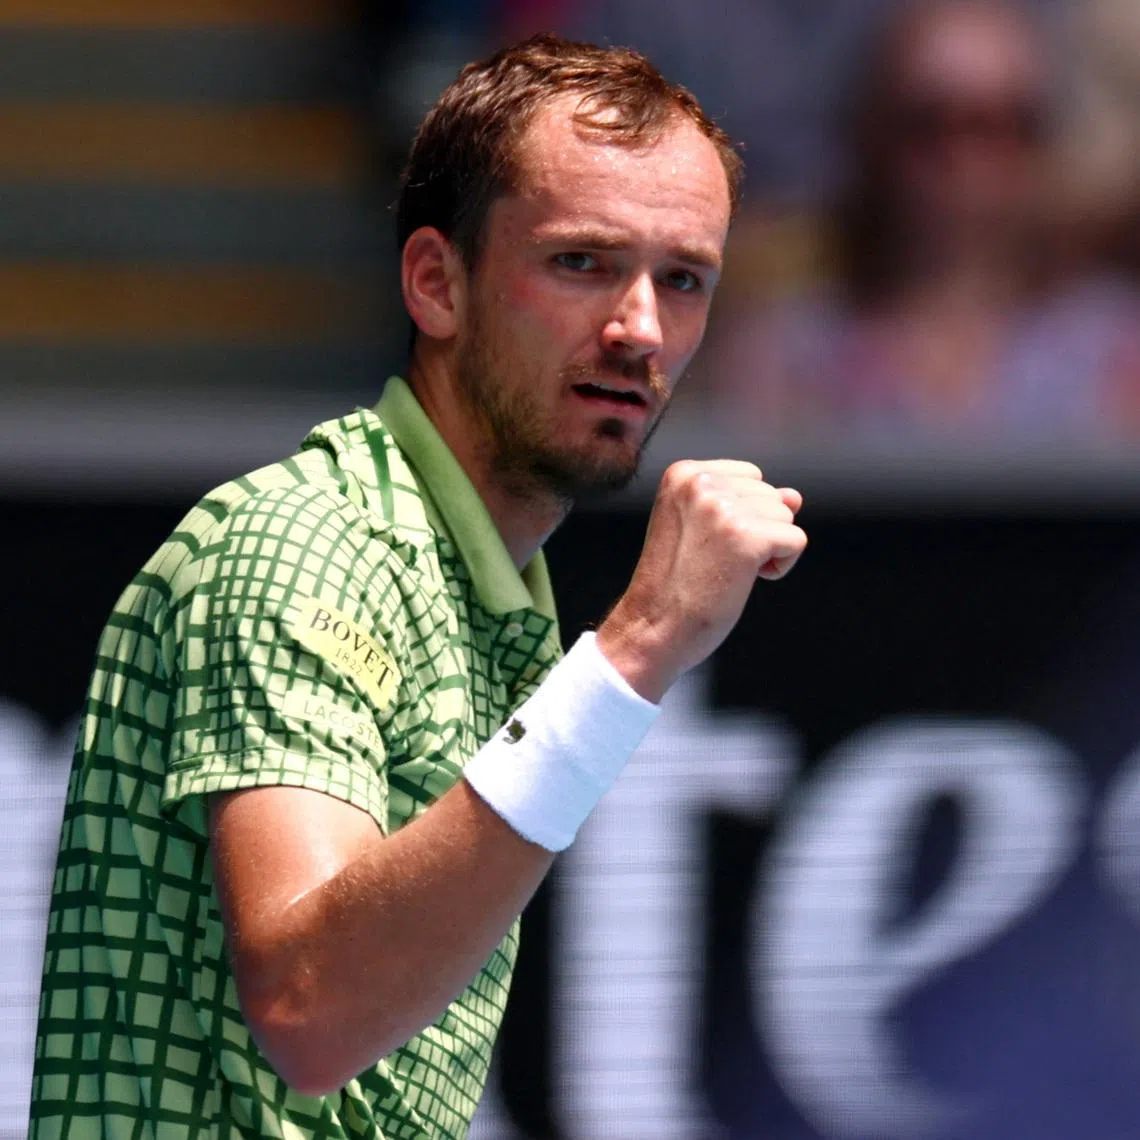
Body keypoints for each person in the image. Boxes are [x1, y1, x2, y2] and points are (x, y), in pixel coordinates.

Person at [29, 34, 807, 1140]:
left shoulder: (470, 583)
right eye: (582, 262)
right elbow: (312, 1006)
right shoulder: (304, 544)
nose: (641, 328)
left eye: (682, 279)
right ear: (436, 283)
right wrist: (639, 645)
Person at [700, 0, 1140, 449]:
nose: (968, 159)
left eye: (1003, 125)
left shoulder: (1117, 353)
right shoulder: (790, 357)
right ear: (872, 133)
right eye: (932, 123)